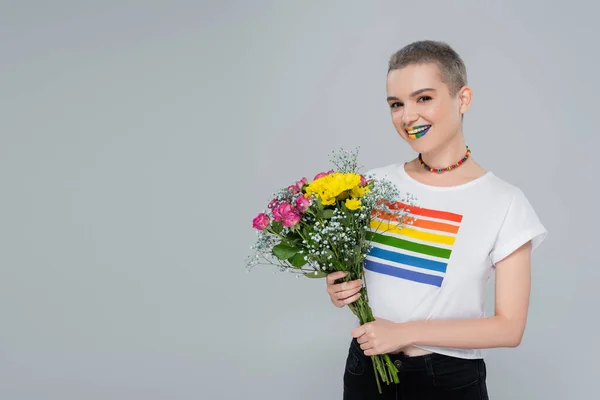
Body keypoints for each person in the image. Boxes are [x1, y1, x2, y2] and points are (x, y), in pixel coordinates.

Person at [326, 40, 547, 399]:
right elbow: (372, 283)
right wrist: (341, 289)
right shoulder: (373, 185)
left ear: (463, 99)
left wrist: (407, 331)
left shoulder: (505, 203)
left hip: (446, 379)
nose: (407, 116)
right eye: (396, 104)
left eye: (423, 98)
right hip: (367, 368)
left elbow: (509, 328)